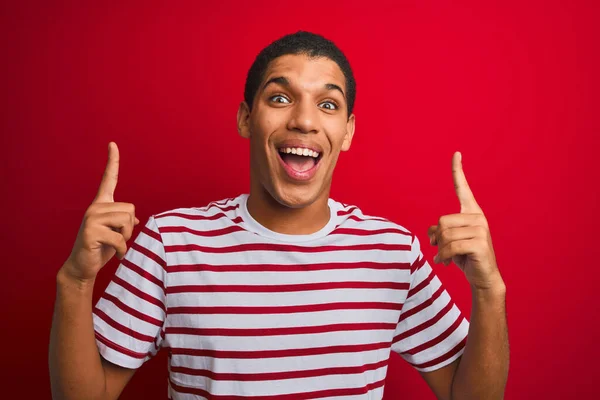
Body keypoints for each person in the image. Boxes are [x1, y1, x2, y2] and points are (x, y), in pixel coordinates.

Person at [49, 31, 509, 400]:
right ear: (247, 119)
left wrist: (489, 291)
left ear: (346, 132)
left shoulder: (392, 252)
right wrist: (75, 282)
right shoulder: (171, 242)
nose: (305, 121)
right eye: (280, 98)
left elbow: (466, 394)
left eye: (328, 104)